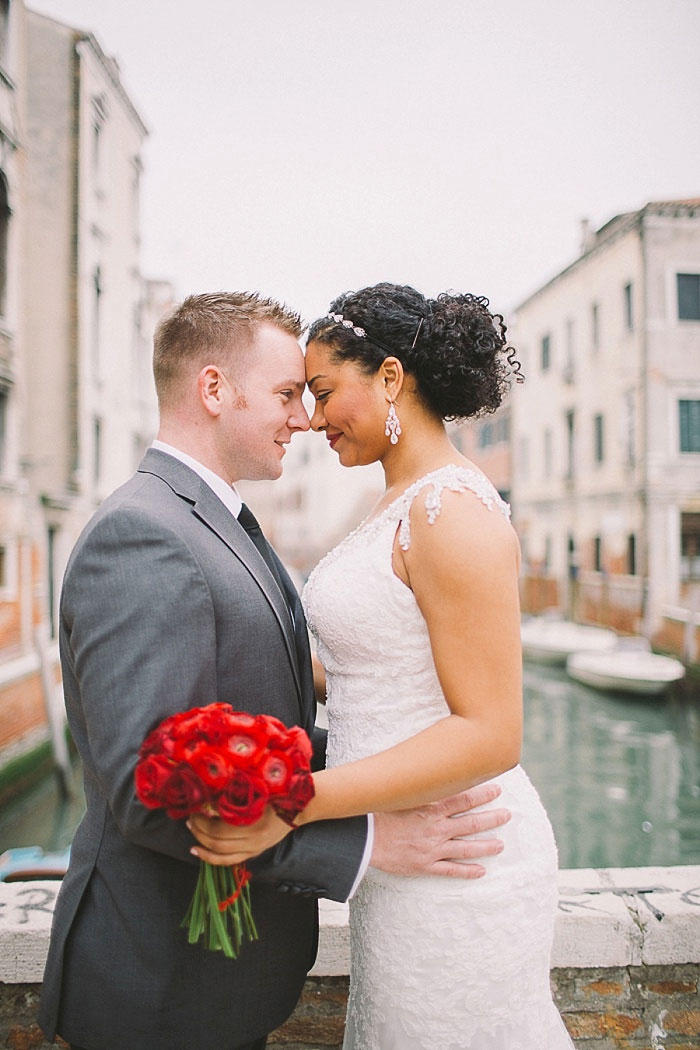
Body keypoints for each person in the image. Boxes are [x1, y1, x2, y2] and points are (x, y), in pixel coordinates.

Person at [38, 291, 511, 1050]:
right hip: (160, 983)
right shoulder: (143, 534)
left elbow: (270, 718)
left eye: (312, 395)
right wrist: (365, 843)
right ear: (215, 389)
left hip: (220, 978)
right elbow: (146, 786)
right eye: (290, 394)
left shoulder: (220, 521)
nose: (305, 418)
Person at [190, 284, 575, 1049]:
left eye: (325, 392)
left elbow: (493, 734)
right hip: (402, 853)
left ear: (392, 379)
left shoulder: (452, 511)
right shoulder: (396, 500)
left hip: (464, 859)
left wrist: (293, 800)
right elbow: (382, 667)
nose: (310, 419)